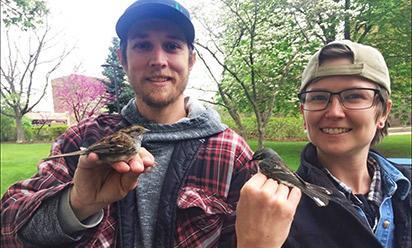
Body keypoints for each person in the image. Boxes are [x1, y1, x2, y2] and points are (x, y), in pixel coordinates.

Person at [1, 0, 256, 247]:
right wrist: (75, 205)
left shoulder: (231, 152)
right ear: (122, 58)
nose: (158, 59)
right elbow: (7, 227)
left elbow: (253, 234)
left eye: (172, 45)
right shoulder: (83, 137)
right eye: (143, 45)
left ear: (191, 59)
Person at [236, 40, 411, 248]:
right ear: (303, 114)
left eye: (354, 96)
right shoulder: (272, 211)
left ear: (383, 112)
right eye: (318, 97)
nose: (334, 112)